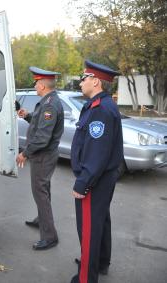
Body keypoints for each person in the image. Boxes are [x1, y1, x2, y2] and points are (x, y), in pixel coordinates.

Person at [70, 60, 123, 283]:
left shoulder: (100, 109)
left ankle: (86, 278)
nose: (81, 82)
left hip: (95, 179)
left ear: (96, 81)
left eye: (84, 78)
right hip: (103, 178)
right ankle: (100, 262)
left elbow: (96, 154)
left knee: (90, 228)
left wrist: (83, 183)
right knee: (101, 220)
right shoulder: (99, 105)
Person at [15, 66, 64, 250]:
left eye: (36, 82)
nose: (35, 85)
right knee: (44, 190)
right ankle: (41, 220)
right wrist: (27, 116)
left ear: (43, 85)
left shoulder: (50, 104)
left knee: (40, 193)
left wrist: (24, 153)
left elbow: (42, 138)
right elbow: (40, 124)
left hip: (43, 157)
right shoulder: (49, 101)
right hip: (45, 156)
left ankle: (50, 236)